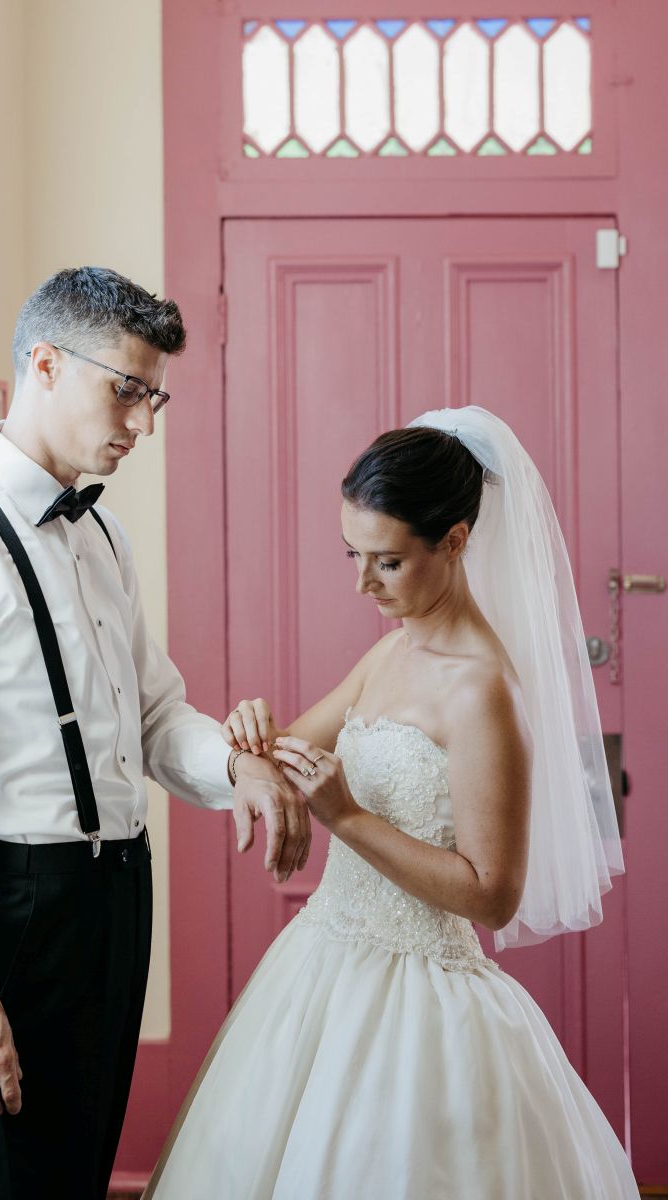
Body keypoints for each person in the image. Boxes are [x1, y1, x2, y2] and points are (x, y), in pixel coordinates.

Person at [0, 267, 310, 1200]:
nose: (143, 424)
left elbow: (152, 713)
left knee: (82, 1167)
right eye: (127, 390)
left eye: (154, 398)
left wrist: (239, 771)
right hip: (22, 908)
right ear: (44, 364)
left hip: (117, 894)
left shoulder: (101, 536)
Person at [144, 407, 638, 1199]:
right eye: (353, 554)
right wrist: (245, 743)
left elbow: (492, 894)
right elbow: (286, 752)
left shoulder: (484, 693)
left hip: (421, 999)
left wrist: (346, 818)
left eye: (387, 562)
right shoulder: (393, 649)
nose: (362, 582)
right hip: (323, 962)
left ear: (455, 541)